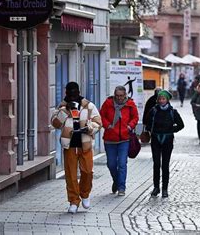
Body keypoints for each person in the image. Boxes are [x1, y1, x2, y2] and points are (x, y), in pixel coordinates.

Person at [51, 82, 102, 214]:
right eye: (69, 93)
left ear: (78, 92)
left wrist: (89, 128)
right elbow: (55, 123)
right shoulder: (62, 107)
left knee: (87, 172)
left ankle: (84, 194)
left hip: (85, 142)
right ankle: (73, 200)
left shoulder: (88, 106)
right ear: (66, 93)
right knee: (71, 175)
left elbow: (98, 122)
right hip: (69, 144)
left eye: (74, 92)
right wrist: (64, 112)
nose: (72, 96)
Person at [100, 86, 139, 196]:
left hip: (124, 139)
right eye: (117, 96)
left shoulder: (130, 104)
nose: (119, 98)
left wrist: (130, 126)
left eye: (121, 96)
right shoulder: (108, 103)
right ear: (114, 95)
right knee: (111, 164)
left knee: (122, 164)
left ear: (125, 95)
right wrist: (107, 125)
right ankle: (116, 181)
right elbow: (101, 116)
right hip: (110, 139)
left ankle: (121, 187)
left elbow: (135, 117)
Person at [144, 90, 184, 198]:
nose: (161, 101)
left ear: (167, 100)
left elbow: (181, 125)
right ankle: (156, 187)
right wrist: (151, 130)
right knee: (156, 164)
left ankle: (165, 189)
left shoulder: (172, 111)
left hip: (168, 140)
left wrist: (171, 130)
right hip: (156, 139)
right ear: (157, 100)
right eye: (160, 99)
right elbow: (147, 122)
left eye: (163, 99)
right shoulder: (153, 111)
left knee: (165, 165)